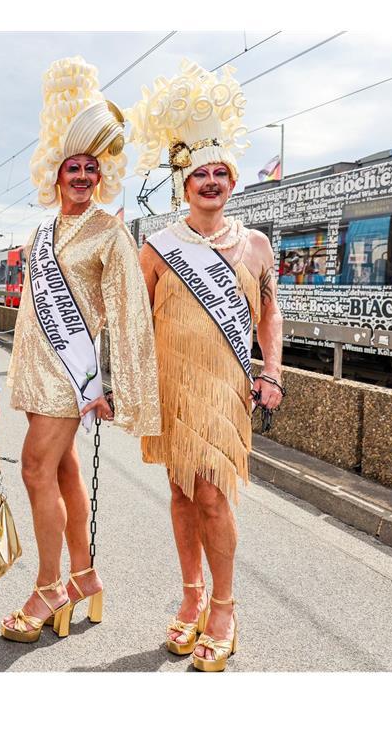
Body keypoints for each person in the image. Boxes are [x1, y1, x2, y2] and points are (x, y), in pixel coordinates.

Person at [129, 60, 284, 672]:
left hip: (225, 389)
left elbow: (269, 315)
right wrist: (127, 385)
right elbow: (135, 322)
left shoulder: (256, 245)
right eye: (201, 174)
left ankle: (224, 607)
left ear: (232, 182)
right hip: (170, 386)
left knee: (214, 498)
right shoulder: (158, 247)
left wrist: (270, 371)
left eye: (221, 173)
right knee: (178, 490)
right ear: (184, 184)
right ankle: (191, 595)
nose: (212, 181)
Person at [0, 57, 160, 645]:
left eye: (93, 168)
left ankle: (47, 586)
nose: (83, 176)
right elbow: (24, 317)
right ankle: (85, 577)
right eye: (74, 166)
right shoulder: (42, 233)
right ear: (57, 171)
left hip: (73, 376)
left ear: (103, 175)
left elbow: (125, 312)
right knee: (62, 468)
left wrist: (113, 385)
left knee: (36, 468)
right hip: (39, 371)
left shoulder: (109, 231)